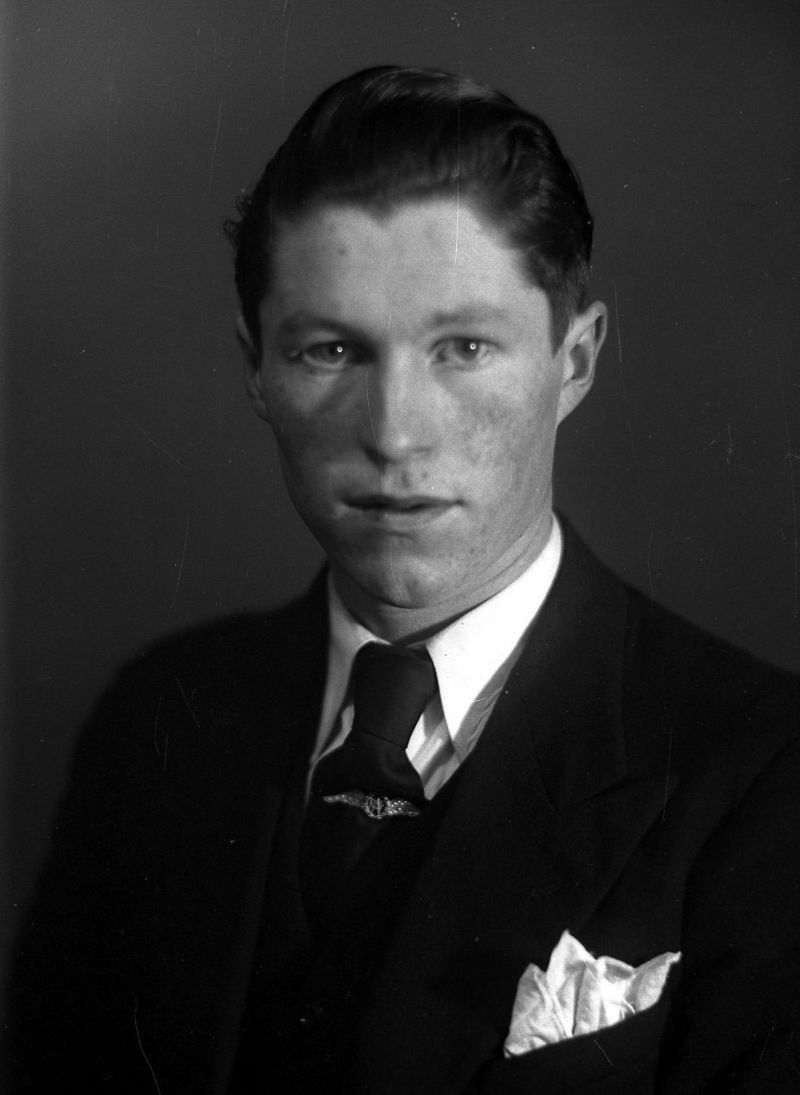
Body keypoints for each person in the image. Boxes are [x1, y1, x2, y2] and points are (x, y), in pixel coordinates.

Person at [8, 66, 800, 1094]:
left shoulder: (763, 776)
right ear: (255, 369)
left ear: (573, 360)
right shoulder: (161, 714)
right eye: (331, 350)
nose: (393, 434)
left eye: (463, 347)